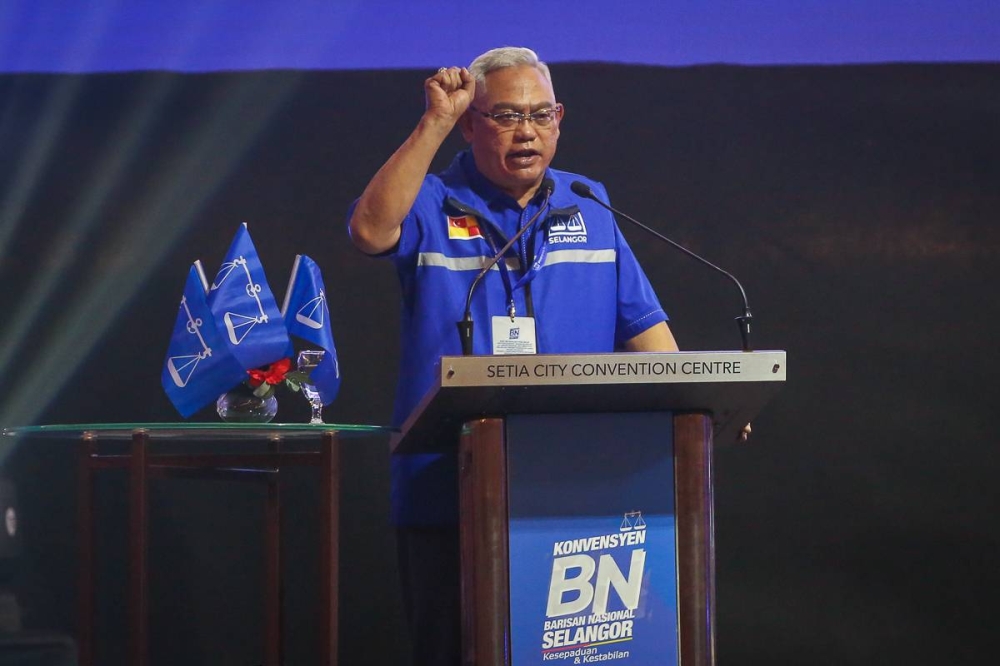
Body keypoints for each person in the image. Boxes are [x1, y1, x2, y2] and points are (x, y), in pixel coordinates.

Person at [347, 46, 678, 666]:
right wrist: (433, 122)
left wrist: (696, 406)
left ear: (559, 119)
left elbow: (644, 325)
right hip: (449, 488)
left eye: (540, 114)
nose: (527, 130)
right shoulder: (431, 200)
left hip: (573, 492)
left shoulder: (589, 202)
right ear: (471, 124)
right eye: (504, 116)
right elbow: (369, 231)